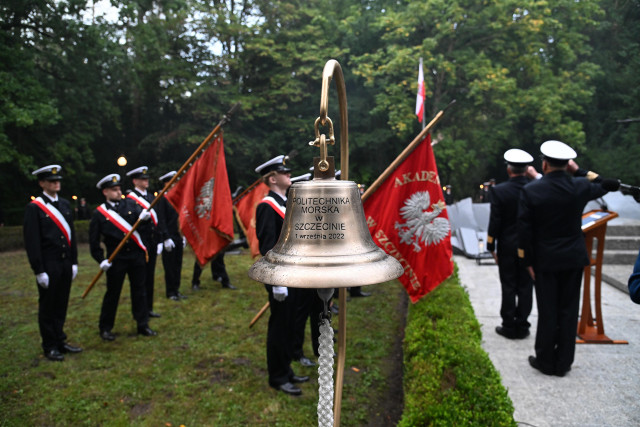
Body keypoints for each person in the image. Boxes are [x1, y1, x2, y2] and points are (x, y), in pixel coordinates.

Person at [517, 140, 618, 377]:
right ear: (567, 164)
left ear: (544, 164)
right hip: (573, 258)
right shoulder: (580, 186)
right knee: (569, 310)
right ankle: (563, 362)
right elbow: (606, 184)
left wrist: (526, 261)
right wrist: (579, 171)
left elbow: (525, 231)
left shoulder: (531, 190)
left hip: (544, 260)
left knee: (548, 310)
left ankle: (545, 359)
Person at [255, 155, 309, 396]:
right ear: (273, 178)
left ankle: (286, 369)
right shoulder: (267, 207)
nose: (289, 175)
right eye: (284, 173)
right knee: (279, 327)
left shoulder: (285, 203)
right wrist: (276, 283)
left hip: (294, 274)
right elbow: (268, 246)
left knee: (289, 326)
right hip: (280, 278)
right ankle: (277, 376)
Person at [24, 165, 82, 361]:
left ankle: (60, 340)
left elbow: (71, 236)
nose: (56, 183)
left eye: (57, 180)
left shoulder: (65, 205)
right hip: (49, 265)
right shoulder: (35, 208)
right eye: (51, 181)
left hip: (65, 263)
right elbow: (32, 242)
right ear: (42, 183)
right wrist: (39, 270)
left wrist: (74, 261)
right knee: (48, 305)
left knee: (61, 303)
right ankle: (49, 345)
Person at [89, 173, 157, 341]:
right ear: (105, 192)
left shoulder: (131, 204)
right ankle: (105, 327)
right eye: (114, 190)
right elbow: (94, 241)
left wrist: (145, 219)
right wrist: (101, 259)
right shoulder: (99, 213)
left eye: (119, 189)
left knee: (139, 291)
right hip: (116, 258)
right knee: (113, 293)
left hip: (136, 256)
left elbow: (143, 225)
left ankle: (142, 324)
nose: (118, 192)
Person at [487, 149, 535, 340]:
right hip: (529, 247)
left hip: (506, 246)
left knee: (508, 286)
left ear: (509, 170)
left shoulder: (499, 191)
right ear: (526, 170)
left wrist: (491, 246)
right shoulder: (535, 188)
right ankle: (522, 324)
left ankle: (508, 325)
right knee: (525, 286)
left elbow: (495, 221)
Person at [126, 166, 162, 318]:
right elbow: (128, 223)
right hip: (140, 244)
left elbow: (158, 221)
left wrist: (159, 240)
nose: (145, 181)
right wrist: (139, 218)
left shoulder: (151, 198)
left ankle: (148, 307)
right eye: (142, 179)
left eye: (146, 179)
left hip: (152, 242)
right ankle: (139, 311)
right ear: (135, 181)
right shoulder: (129, 201)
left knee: (150, 277)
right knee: (139, 280)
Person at [157, 171, 186, 301]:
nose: (176, 184)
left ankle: (177, 289)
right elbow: (161, 219)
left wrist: (184, 235)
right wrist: (165, 237)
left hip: (178, 235)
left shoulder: (179, 197)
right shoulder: (163, 198)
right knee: (169, 265)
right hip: (169, 237)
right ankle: (170, 292)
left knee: (178, 264)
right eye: (173, 181)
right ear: (166, 183)